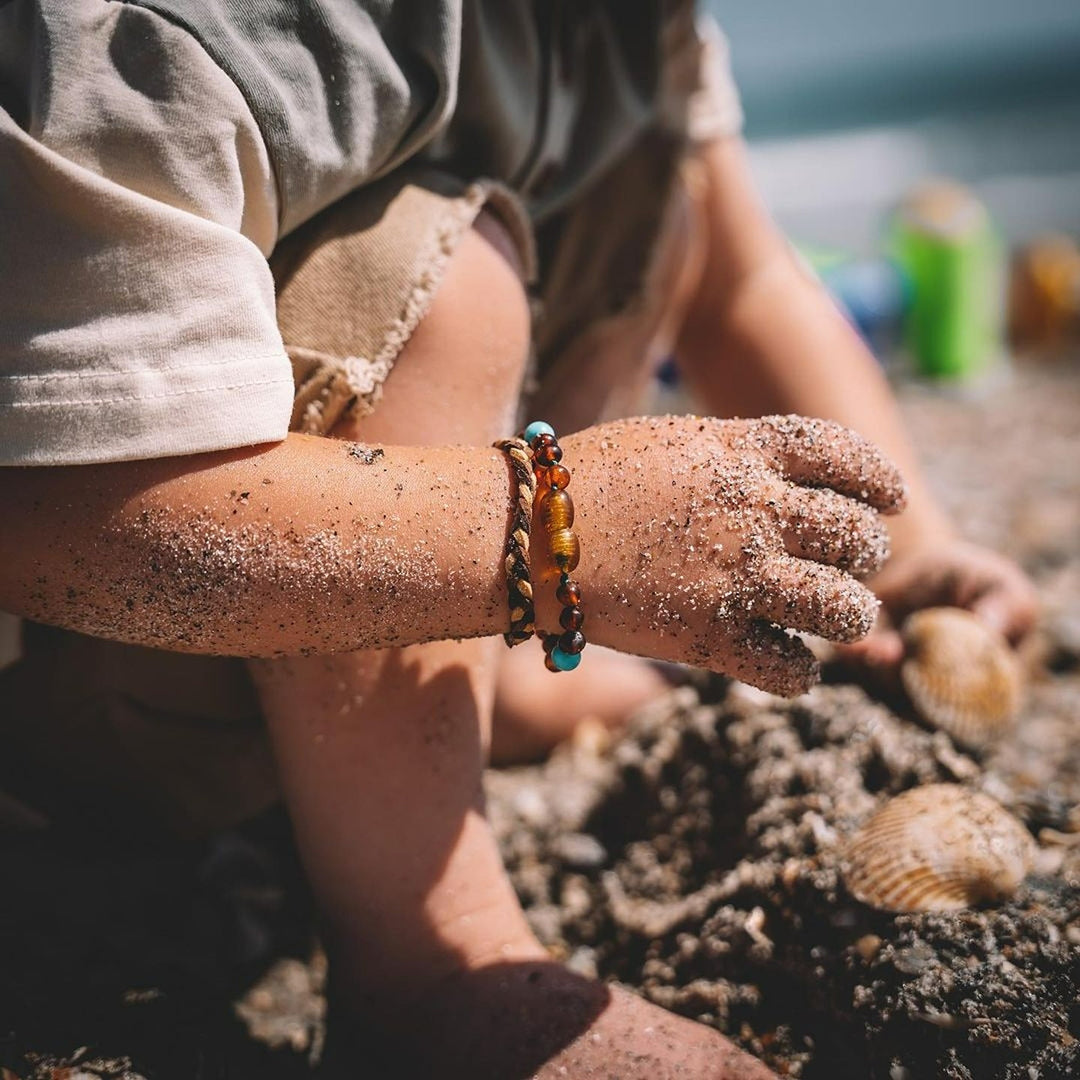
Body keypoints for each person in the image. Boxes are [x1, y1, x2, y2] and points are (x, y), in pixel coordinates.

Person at [0, 2, 1036, 1077]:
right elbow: (54, 509)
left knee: (667, 191)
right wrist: (548, 538)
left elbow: (742, 285)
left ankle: (493, 691)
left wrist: (901, 548)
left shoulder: (642, 25)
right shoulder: (191, 37)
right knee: (452, 274)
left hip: (336, 600)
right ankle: (432, 966)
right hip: (95, 680)